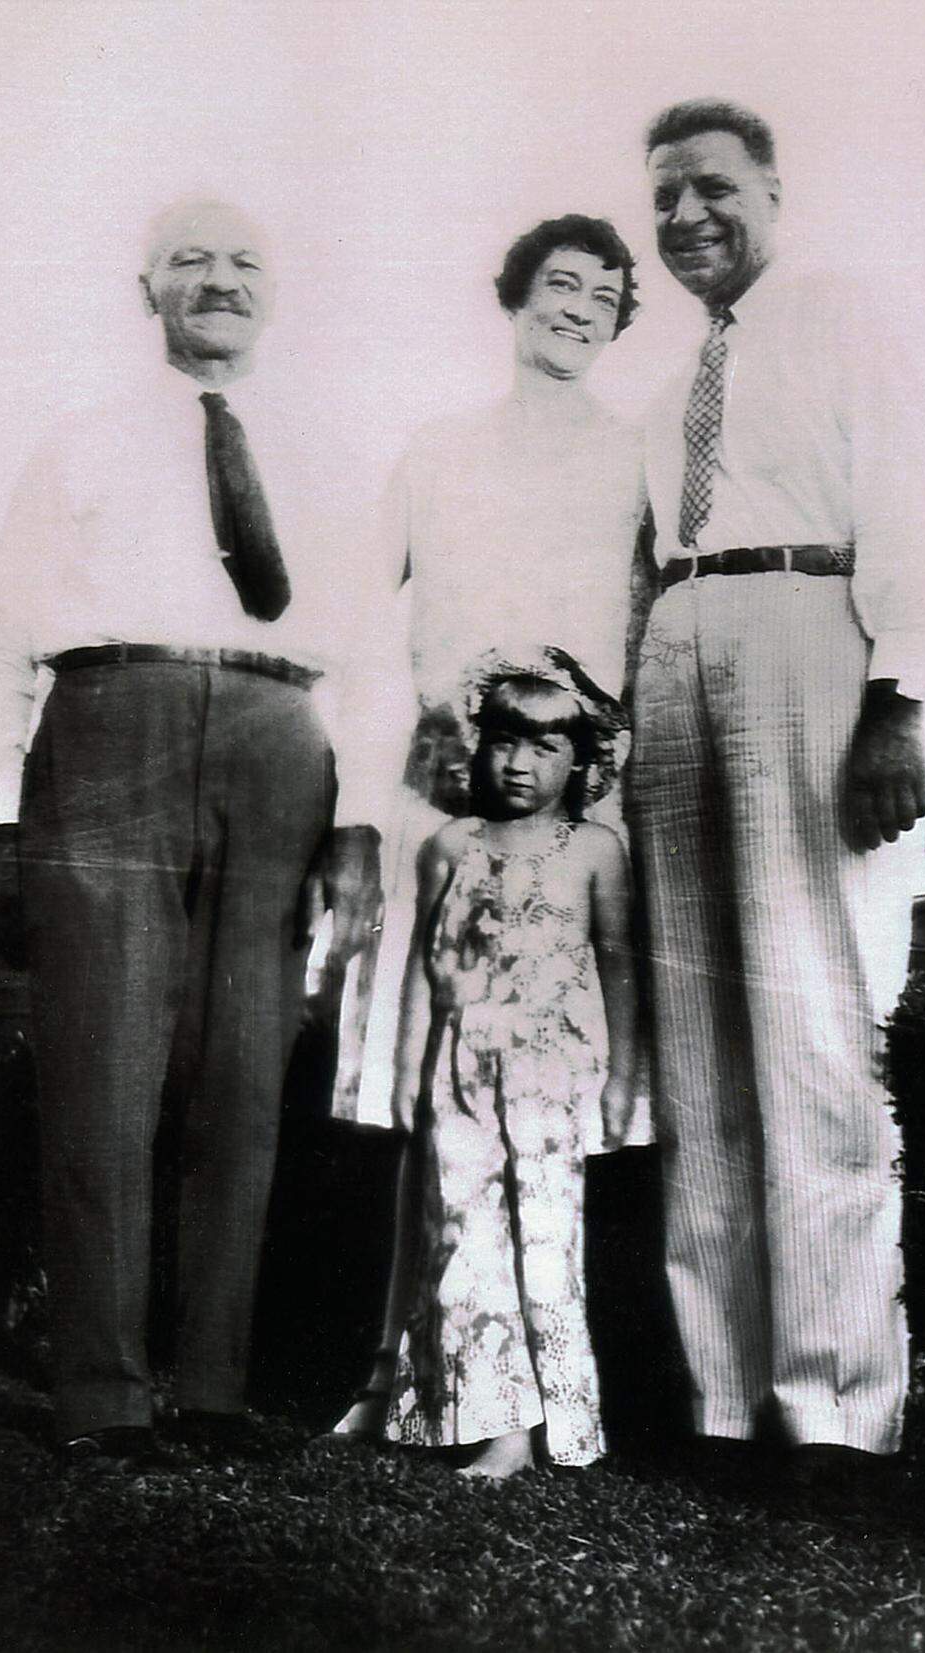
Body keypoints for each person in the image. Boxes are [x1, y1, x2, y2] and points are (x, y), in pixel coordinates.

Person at [0, 197, 386, 1464]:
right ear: (142, 287)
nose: (220, 279)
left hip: (277, 737)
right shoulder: (79, 444)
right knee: (102, 1071)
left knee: (244, 1078)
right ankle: (104, 1394)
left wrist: (356, 817)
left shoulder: (328, 457)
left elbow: (368, 652)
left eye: (246, 260)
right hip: (111, 728)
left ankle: (210, 1387)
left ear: (278, 292)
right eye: (190, 260)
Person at [629, 101, 925, 1484]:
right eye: (665, 198)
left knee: (813, 1028)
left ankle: (834, 1409)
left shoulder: (842, 316)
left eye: (714, 188)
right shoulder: (665, 383)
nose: (689, 215)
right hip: (675, 649)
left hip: (810, 634)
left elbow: (918, 506)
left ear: (773, 185)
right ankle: (720, 1397)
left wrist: (900, 698)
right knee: (698, 1036)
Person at [331, 215, 651, 1438]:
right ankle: (394, 1373)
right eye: (556, 284)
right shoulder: (439, 449)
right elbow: (368, 625)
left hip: (572, 821)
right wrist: (389, 769)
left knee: (548, 1104)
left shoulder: (638, 463)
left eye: (603, 294)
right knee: (436, 1085)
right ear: (514, 298)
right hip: (448, 809)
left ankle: (534, 1391)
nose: (575, 307)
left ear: (622, 320)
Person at [382, 648, 637, 1477]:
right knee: (463, 1233)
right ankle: (489, 1420)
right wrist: (409, 1073)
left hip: (553, 1075)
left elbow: (618, 962)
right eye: (503, 741)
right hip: (461, 1067)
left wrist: (625, 1074)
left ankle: (547, 1425)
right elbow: (429, 966)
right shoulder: (450, 843)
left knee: (547, 1238)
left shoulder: (596, 849)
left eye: (544, 746)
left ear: (580, 762)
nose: (518, 763)